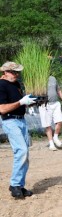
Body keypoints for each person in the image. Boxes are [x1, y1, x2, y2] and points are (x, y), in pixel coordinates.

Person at [0, 61, 37, 199]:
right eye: (14, 72)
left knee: (25, 153)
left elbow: (19, 102)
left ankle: (19, 185)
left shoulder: (15, 84)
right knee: (21, 151)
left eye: (17, 72)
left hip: (21, 120)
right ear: (5, 72)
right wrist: (21, 102)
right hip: (10, 121)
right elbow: (2, 109)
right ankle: (14, 184)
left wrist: (29, 103)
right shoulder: (1, 85)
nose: (16, 74)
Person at [38, 76, 62, 151]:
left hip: (56, 103)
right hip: (45, 104)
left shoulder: (53, 78)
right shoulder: (39, 78)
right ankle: (51, 143)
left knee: (60, 121)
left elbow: (58, 90)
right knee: (47, 125)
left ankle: (55, 137)